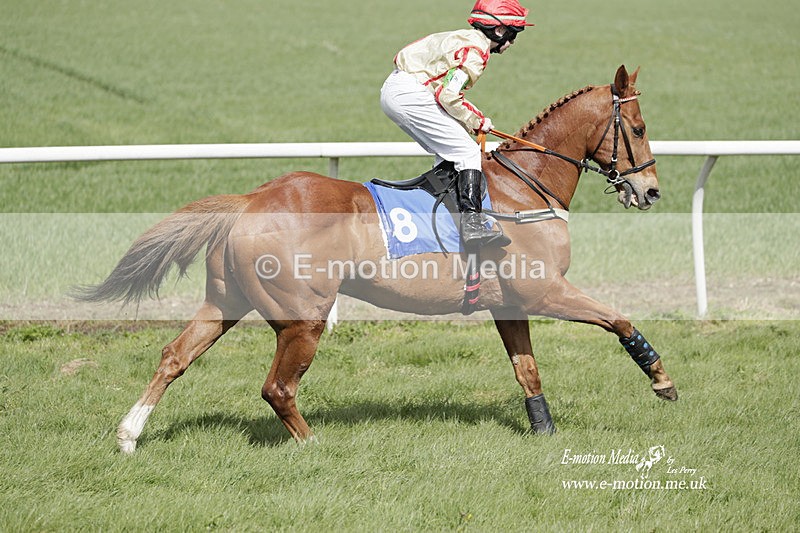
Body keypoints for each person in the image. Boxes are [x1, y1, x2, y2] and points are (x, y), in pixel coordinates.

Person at [380, 0, 533, 247]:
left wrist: (469, 121)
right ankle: (472, 227)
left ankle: (444, 211)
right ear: (499, 30)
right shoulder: (476, 52)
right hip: (411, 95)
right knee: (468, 152)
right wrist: (477, 120)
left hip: (398, 89)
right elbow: (448, 95)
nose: (512, 42)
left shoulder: (462, 37)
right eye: (513, 34)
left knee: (451, 150)